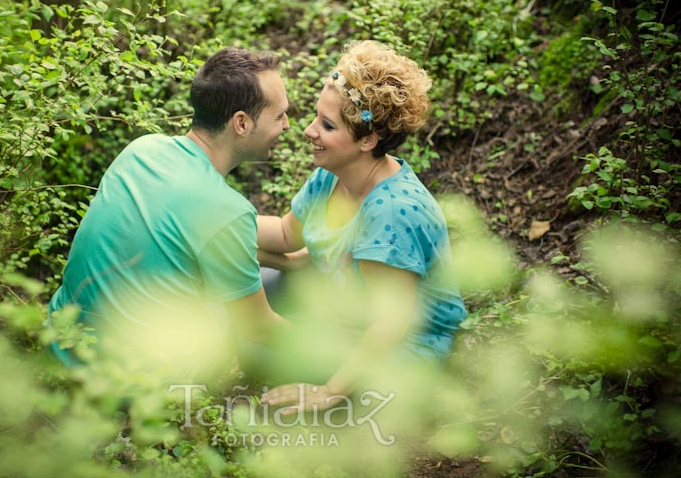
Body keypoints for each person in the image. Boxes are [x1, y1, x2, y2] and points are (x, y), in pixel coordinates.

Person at [47, 47, 291, 376]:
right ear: (242, 123)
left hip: (63, 347)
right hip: (137, 382)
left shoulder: (143, 149)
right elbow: (259, 326)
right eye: (279, 116)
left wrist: (287, 248)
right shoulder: (225, 211)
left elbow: (197, 226)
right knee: (273, 293)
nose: (287, 126)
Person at [255, 40, 467, 412]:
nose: (308, 131)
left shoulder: (392, 212)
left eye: (327, 125)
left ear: (368, 139)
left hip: (400, 344)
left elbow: (390, 323)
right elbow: (287, 235)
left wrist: (328, 391)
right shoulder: (331, 175)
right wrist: (215, 218)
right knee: (249, 293)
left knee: (254, 345)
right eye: (315, 117)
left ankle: (352, 394)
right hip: (347, 306)